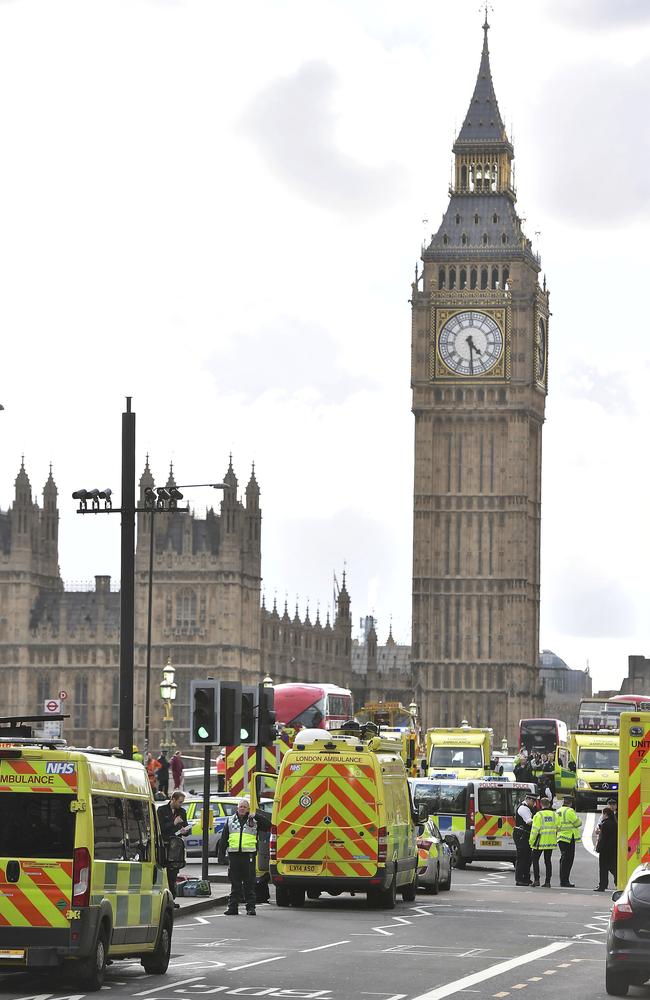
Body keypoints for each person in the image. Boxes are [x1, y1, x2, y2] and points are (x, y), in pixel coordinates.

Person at [217, 797, 271, 916]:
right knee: (235, 883)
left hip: (248, 855)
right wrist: (221, 855)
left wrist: (255, 816)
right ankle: (233, 908)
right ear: (237, 808)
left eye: (244, 807)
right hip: (234, 855)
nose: (242, 809)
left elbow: (268, 825)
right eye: (240, 806)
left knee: (249, 882)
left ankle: (250, 908)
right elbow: (224, 839)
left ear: (248, 809)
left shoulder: (254, 821)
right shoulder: (230, 820)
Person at [158, 790, 191, 903]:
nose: (181, 804)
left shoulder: (182, 812)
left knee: (173, 874)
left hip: (176, 847)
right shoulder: (161, 810)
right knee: (163, 873)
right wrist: (174, 823)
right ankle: (163, 900)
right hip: (164, 845)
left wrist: (185, 831)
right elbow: (160, 828)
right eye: (180, 802)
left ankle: (172, 900)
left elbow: (186, 828)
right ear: (173, 799)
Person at [530, 796, 557, 887]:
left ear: (541, 805)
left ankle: (536, 880)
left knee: (535, 859)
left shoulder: (538, 815)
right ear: (549, 804)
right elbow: (559, 826)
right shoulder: (554, 814)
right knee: (548, 861)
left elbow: (535, 830)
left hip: (540, 841)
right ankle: (548, 882)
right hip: (550, 841)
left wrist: (531, 841)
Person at [556, 794, 582, 887]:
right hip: (568, 838)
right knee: (568, 860)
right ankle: (565, 881)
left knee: (563, 859)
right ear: (571, 803)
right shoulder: (570, 811)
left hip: (560, 837)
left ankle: (563, 880)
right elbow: (578, 823)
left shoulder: (558, 811)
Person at [514, 792, 536, 886]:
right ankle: (519, 879)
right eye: (533, 801)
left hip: (525, 835)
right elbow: (529, 821)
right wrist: (540, 822)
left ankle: (526, 878)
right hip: (521, 835)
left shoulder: (527, 807)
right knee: (522, 857)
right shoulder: (523, 808)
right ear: (528, 799)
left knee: (528, 858)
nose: (534, 803)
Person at [595, 805, 617, 891]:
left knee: (603, 868)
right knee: (613, 867)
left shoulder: (605, 824)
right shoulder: (615, 823)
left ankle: (602, 885)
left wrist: (598, 848)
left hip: (605, 850)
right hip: (613, 849)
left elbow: (602, 838)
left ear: (606, 814)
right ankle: (618, 881)